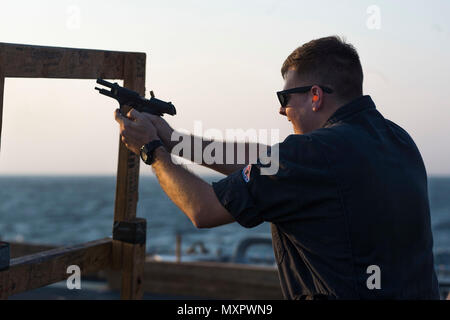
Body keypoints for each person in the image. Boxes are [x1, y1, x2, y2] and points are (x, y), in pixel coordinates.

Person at [114, 36, 440, 299]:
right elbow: (268, 159)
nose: (282, 111)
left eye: (285, 97)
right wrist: (174, 140)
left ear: (315, 96)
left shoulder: (311, 154)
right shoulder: (398, 140)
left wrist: (151, 150)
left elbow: (204, 210)